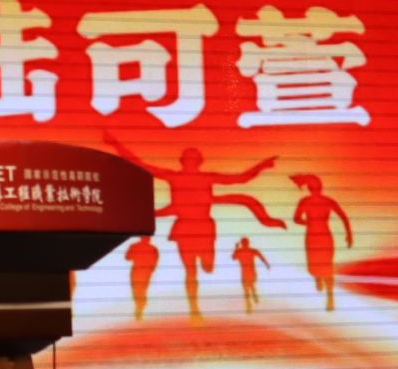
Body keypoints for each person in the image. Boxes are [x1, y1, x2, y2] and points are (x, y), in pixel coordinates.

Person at [104, 133, 279, 321]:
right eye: (188, 159)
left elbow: (241, 178)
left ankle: (204, 271)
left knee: (208, 267)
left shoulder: (206, 178)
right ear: (183, 161)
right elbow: (141, 165)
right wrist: (116, 144)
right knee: (190, 271)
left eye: (193, 159)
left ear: (198, 162)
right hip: (184, 229)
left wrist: (261, 166)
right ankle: (194, 310)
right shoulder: (174, 177)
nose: (190, 163)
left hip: (204, 228)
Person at [289, 173, 354, 313]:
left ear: (309, 188)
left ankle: (327, 291)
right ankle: (325, 288)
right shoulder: (325, 201)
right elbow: (343, 217)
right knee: (323, 264)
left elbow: (296, 219)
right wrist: (349, 234)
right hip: (321, 235)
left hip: (315, 235)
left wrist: (308, 223)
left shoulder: (306, 201)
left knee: (322, 263)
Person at [232, 236, 271, 312]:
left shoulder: (250, 251)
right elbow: (233, 257)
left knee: (250, 288)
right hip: (246, 273)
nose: (245, 244)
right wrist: (236, 248)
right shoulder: (243, 251)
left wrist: (266, 264)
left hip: (249, 273)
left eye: (245, 243)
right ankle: (250, 304)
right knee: (248, 289)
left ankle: (252, 300)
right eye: (244, 243)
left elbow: (261, 256)